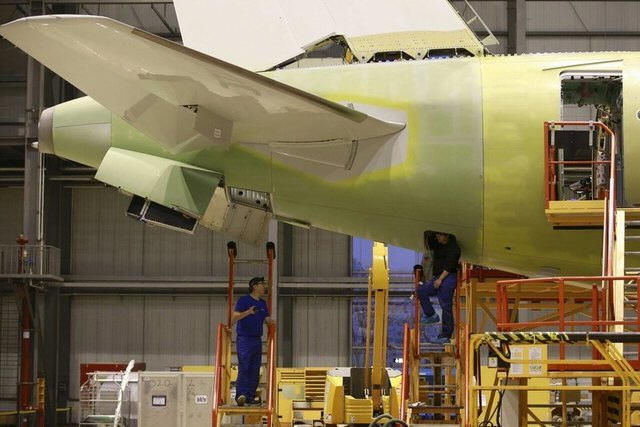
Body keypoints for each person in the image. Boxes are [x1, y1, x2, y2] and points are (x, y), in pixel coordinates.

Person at [231, 276, 272, 406]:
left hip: (256, 339)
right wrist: (248, 312)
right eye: (262, 284)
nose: (264, 286)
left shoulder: (263, 303)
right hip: (244, 339)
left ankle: (249, 396)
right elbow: (233, 318)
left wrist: (274, 324)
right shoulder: (244, 300)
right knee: (245, 365)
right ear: (254, 286)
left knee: (255, 368)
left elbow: (268, 320)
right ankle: (241, 395)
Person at [417, 231, 461, 344]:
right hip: (437, 277)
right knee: (421, 290)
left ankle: (446, 335)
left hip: (448, 277)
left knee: (446, 306)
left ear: (446, 236)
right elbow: (429, 243)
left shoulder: (453, 248)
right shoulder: (438, 246)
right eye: (436, 236)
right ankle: (431, 314)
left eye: (439, 236)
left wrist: (440, 279)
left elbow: (450, 265)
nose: (437, 238)